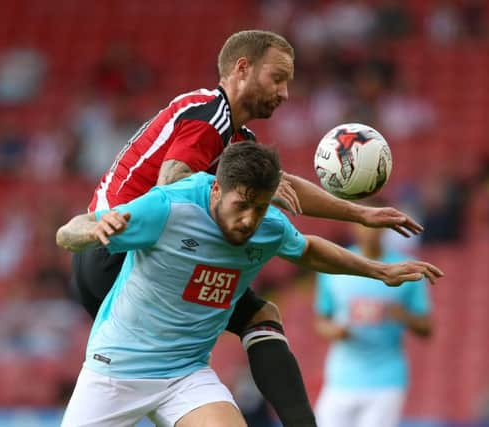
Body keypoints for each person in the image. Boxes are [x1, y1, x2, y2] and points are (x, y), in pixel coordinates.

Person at [73, 29, 424, 426]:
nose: (285, 92)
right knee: (257, 317)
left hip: (111, 257)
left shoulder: (235, 137)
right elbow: (172, 186)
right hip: (118, 251)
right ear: (242, 68)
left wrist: (359, 214)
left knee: (249, 319)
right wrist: (247, 201)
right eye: (277, 78)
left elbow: (281, 184)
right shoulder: (211, 117)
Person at [56, 142, 443, 427]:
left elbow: (308, 250)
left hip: (187, 373)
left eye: (259, 208)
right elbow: (68, 233)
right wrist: (93, 228)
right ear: (216, 190)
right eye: (241, 206)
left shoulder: (268, 226)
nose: (249, 220)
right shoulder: (168, 208)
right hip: (116, 369)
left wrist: (380, 271)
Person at [313, 216, 433, 427]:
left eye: (375, 226)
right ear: (353, 226)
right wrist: (336, 332)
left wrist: (402, 315)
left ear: (385, 228)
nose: (369, 231)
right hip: (341, 378)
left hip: (386, 380)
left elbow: (427, 328)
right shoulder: (336, 265)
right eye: (364, 224)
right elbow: (322, 321)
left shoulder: (406, 269)